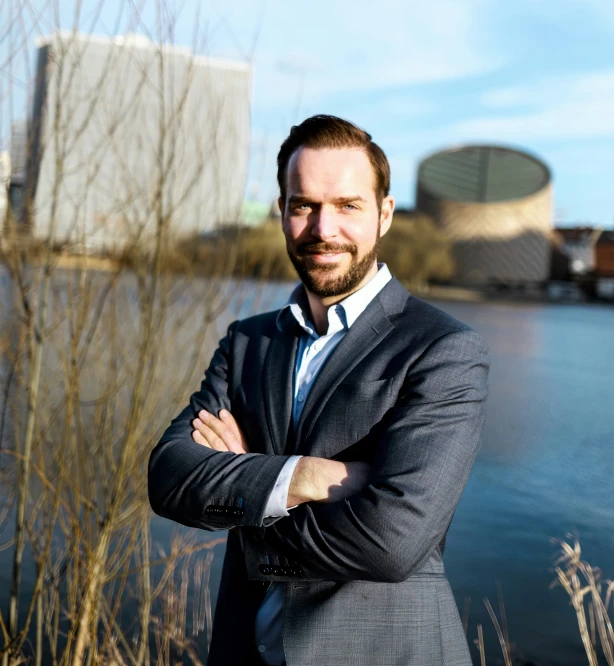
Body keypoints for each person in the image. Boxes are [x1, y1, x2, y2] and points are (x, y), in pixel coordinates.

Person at [148, 115, 490, 666]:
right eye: (303, 204)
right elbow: (167, 477)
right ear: (281, 212)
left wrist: (250, 495)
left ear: (384, 214)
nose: (322, 228)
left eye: (347, 206)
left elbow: (392, 542)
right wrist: (302, 477)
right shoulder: (248, 342)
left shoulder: (443, 350)